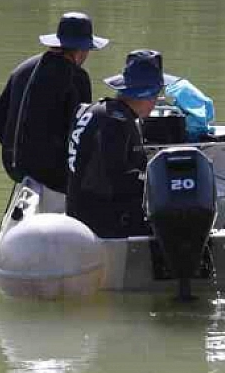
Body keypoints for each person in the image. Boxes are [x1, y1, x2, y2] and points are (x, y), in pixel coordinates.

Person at [0, 12, 110, 194]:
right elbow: (80, 132)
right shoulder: (76, 77)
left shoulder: (24, 68)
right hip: (52, 176)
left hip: (15, 168)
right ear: (81, 50)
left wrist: (18, 151)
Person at [66, 49, 179, 239]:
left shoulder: (95, 110)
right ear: (147, 94)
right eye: (157, 93)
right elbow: (118, 180)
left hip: (77, 213)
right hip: (102, 225)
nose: (157, 101)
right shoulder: (117, 122)